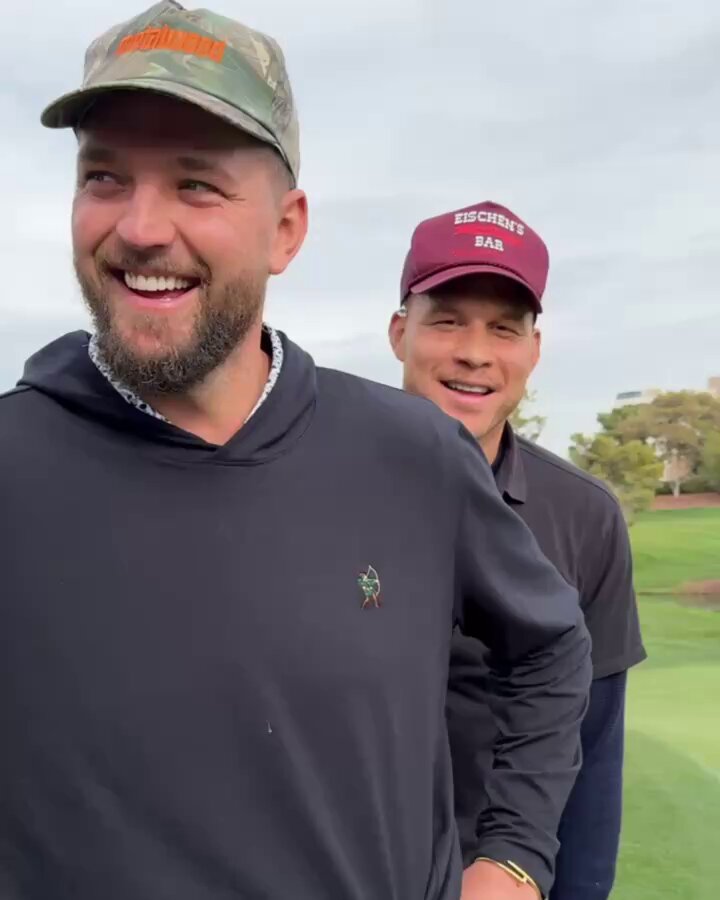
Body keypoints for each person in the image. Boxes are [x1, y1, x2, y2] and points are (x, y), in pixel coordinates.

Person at [0, 6, 592, 899]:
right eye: (106, 176)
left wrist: (511, 861)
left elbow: (550, 653)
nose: (142, 226)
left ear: (287, 229)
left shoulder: (412, 455)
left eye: (197, 184)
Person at [389, 200, 647, 900]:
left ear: (533, 349)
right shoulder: (314, 481)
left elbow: (592, 751)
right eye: (447, 321)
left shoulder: (585, 516)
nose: (476, 352)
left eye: (505, 328)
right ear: (398, 332)